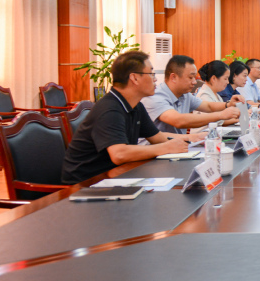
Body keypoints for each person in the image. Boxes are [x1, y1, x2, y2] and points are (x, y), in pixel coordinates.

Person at [61, 51, 198, 185]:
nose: (155, 79)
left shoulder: (136, 106)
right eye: (151, 74)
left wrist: (191, 140)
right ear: (134, 78)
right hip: (86, 184)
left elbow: (158, 138)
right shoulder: (109, 109)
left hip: (118, 176)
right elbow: (119, 154)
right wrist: (165, 148)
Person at [141, 55, 241, 134]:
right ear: (173, 77)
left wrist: (228, 104)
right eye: (190, 77)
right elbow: (178, 121)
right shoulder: (156, 96)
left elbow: (208, 106)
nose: (194, 82)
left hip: (177, 148)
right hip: (155, 152)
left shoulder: (185, 95)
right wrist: (220, 115)